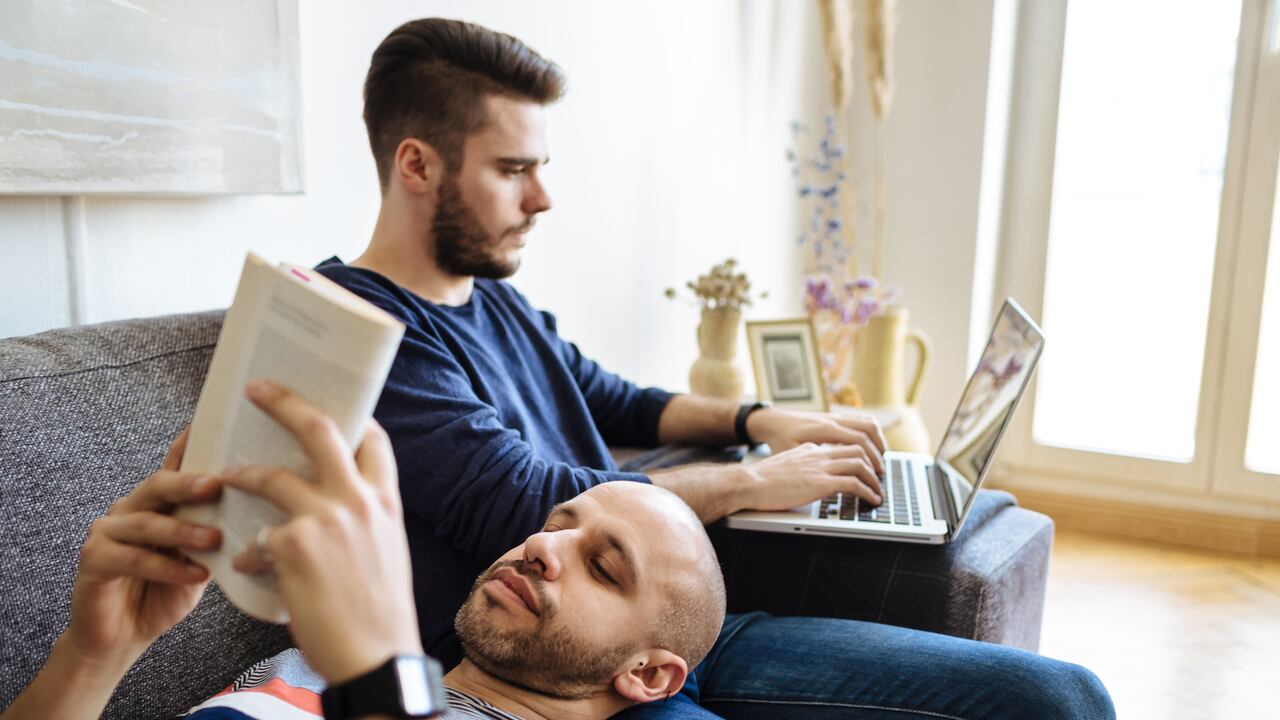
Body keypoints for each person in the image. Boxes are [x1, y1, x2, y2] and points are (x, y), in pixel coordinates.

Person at [315, 16, 1115, 720]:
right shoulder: (362, 325)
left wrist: (758, 423)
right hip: (553, 668)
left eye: (540, 166)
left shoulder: (490, 295)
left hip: (666, 636)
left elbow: (615, 399)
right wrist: (751, 481)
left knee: (1063, 697)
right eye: (513, 170)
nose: (543, 199)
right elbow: (520, 502)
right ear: (418, 166)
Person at [1, 380, 728, 720]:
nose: (542, 544)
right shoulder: (307, 665)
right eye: (556, 522)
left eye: (603, 566)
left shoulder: (366, 671)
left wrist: (379, 670)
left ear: (650, 675)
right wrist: (95, 656)